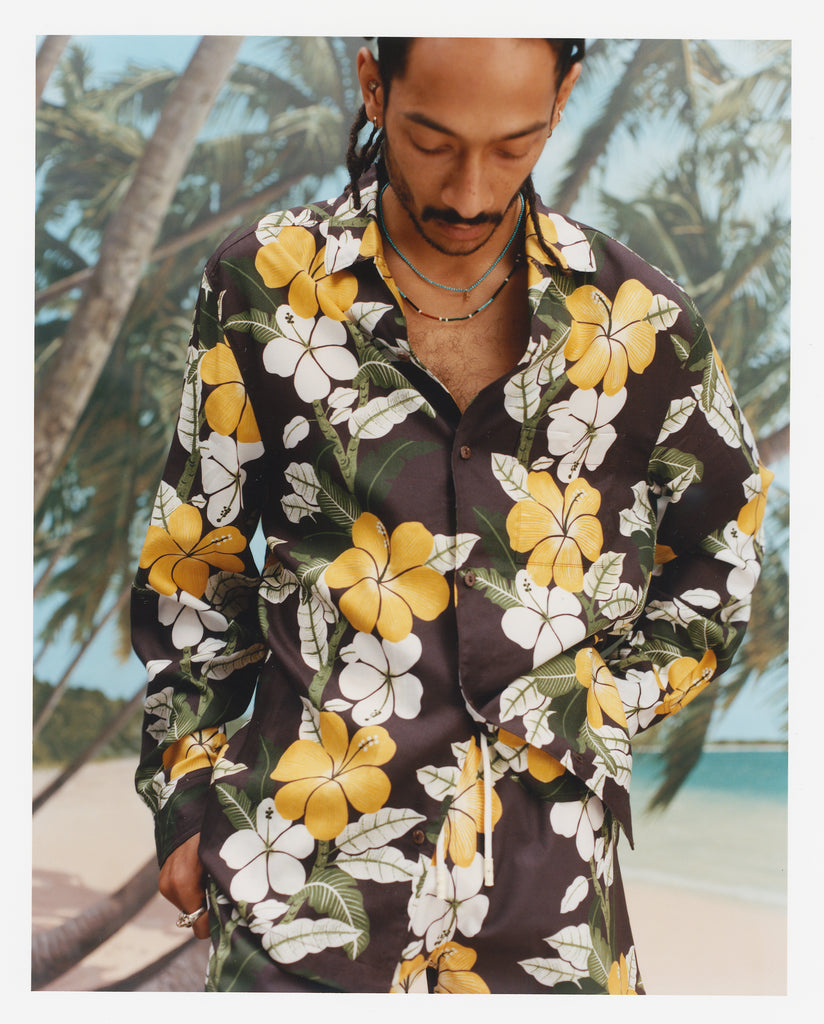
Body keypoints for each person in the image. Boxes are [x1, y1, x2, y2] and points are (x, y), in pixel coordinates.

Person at [132, 37, 771, 994]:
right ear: (373, 86)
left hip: (554, 905)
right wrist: (186, 796)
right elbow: (196, 562)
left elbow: (726, 551)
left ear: (564, 99)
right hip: (303, 883)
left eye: (513, 147)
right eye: (432, 142)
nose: (470, 193)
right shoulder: (261, 287)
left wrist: (607, 703)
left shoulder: (640, 322)